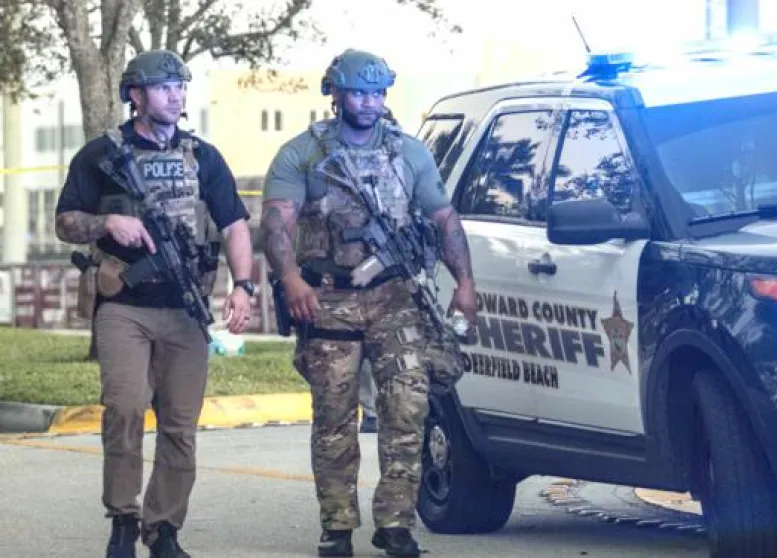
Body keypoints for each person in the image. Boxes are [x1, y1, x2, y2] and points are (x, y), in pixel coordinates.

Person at [260, 48, 477, 557]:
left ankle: (396, 524)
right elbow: (276, 223)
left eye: (378, 92)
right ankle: (336, 526)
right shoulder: (304, 154)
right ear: (334, 93)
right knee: (334, 416)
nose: (370, 102)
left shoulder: (409, 153)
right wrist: (290, 278)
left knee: (408, 409)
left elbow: (445, 219)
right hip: (328, 297)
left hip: (395, 298)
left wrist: (464, 283)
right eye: (359, 91)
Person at [54, 49, 255, 558]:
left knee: (180, 425)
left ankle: (163, 528)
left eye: (180, 86)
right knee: (123, 408)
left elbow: (234, 225)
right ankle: (123, 517)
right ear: (136, 96)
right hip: (124, 306)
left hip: (185, 311)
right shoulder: (100, 155)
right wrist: (107, 224)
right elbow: (64, 222)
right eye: (164, 86)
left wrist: (243, 285)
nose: (175, 94)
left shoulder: (203, 157)